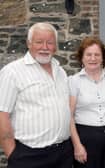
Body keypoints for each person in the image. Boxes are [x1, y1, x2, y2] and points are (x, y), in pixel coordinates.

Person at [0, 22, 73, 168]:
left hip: (63, 153)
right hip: (29, 156)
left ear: (55, 46)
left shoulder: (61, 72)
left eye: (50, 42)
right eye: (39, 42)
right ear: (29, 43)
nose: (45, 47)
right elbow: (2, 114)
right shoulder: (12, 72)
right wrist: (13, 155)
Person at [68, 36, 105, 168]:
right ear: (82, 58)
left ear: (103, 58)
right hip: (85, 137)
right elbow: (69, 116)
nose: (93, 58)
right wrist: (77, 145)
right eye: (88, 54)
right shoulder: (73, 81)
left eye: (97, 54)